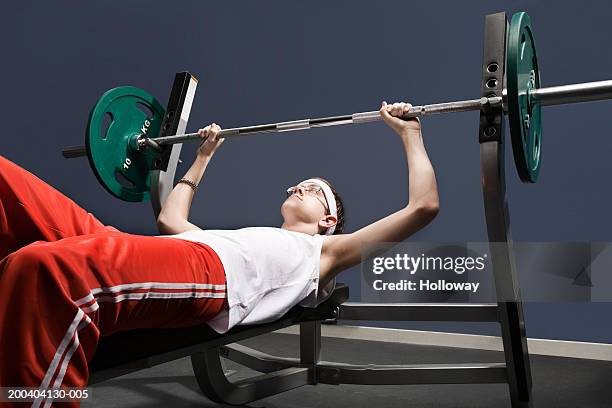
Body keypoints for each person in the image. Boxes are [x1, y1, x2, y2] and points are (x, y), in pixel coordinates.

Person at [0, 101, 438, 406]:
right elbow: (171, 222)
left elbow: (422, 207)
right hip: (168, 250)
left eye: (314, 189)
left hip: (207, 272)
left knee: (47, 270)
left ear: (328, 219)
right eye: (299, 183)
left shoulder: (324, 253)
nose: (298, 186)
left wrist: (411, 133)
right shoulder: (247, 236)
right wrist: (203, 156)